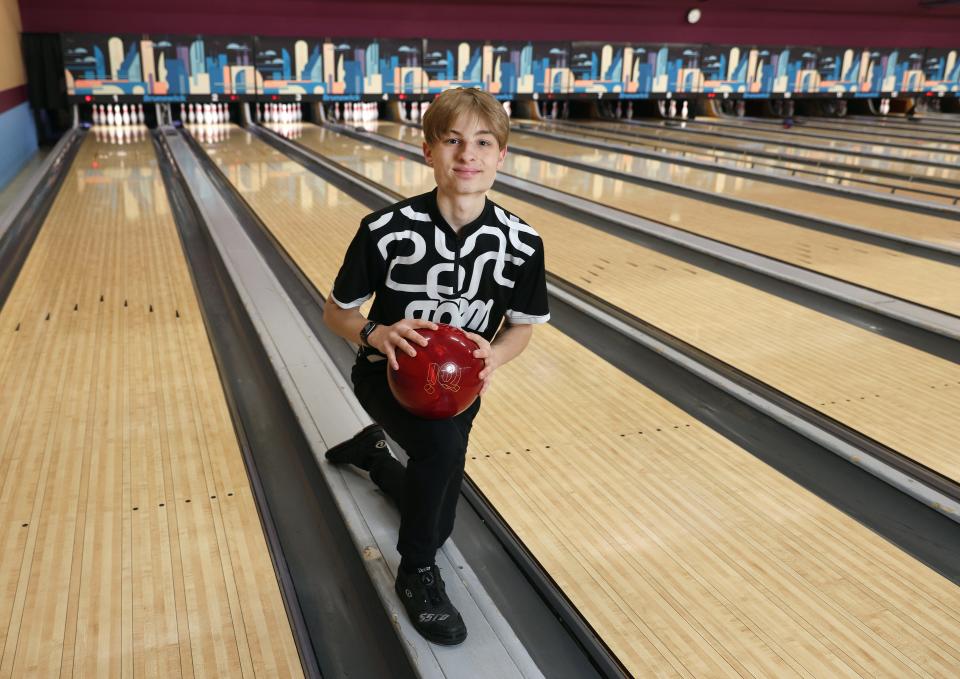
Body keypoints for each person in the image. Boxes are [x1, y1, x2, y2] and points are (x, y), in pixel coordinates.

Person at [322, 87, 550, 646]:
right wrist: (375, 333)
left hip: (460, 389)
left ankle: (373, 457)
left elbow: (521, 327)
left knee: (439, 517)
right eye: (452, 141)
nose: (467, 155)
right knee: (440, 454)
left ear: (501, 156)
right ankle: (416, 573)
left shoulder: (521, 243)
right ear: (429, 152)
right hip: (387, 375)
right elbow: (337, 312)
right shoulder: (384, 230)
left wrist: (494, 355)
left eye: (482, 143)